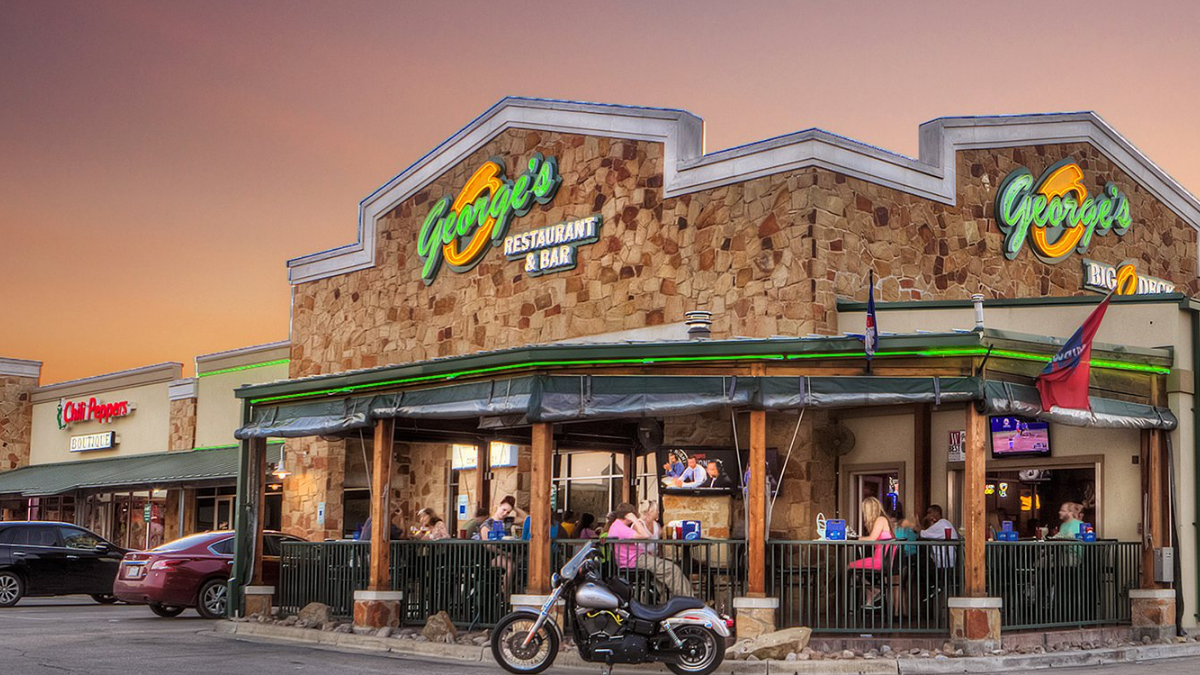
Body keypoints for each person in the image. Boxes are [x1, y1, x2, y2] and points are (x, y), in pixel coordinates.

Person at [607, 502, 693, 598]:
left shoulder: (617, 526)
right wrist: (635, 520)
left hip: (635, 558)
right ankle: (689, 599)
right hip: (634, 560)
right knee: (672, 569)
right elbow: (645, 535)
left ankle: (657, 596)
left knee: (666, 570)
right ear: (628, 515)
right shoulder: (621, 528)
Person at [848, 496, 895, 608]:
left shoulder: (880, 520)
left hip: (880, 560)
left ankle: (874, 590)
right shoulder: (883, 520)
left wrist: (853, 538)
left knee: (849, 566)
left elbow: (871, 539)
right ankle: (870, 598)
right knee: (858, 571)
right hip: (883, 560)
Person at [919, 504, 959, 568]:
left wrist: (916, 523)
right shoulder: (945, 522)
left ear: (937, 513)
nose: (928, 516)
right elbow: (928, 532)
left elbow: (922, 533)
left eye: (929, 513)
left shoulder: (941, 523)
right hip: (949, 561)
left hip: (943, 562)